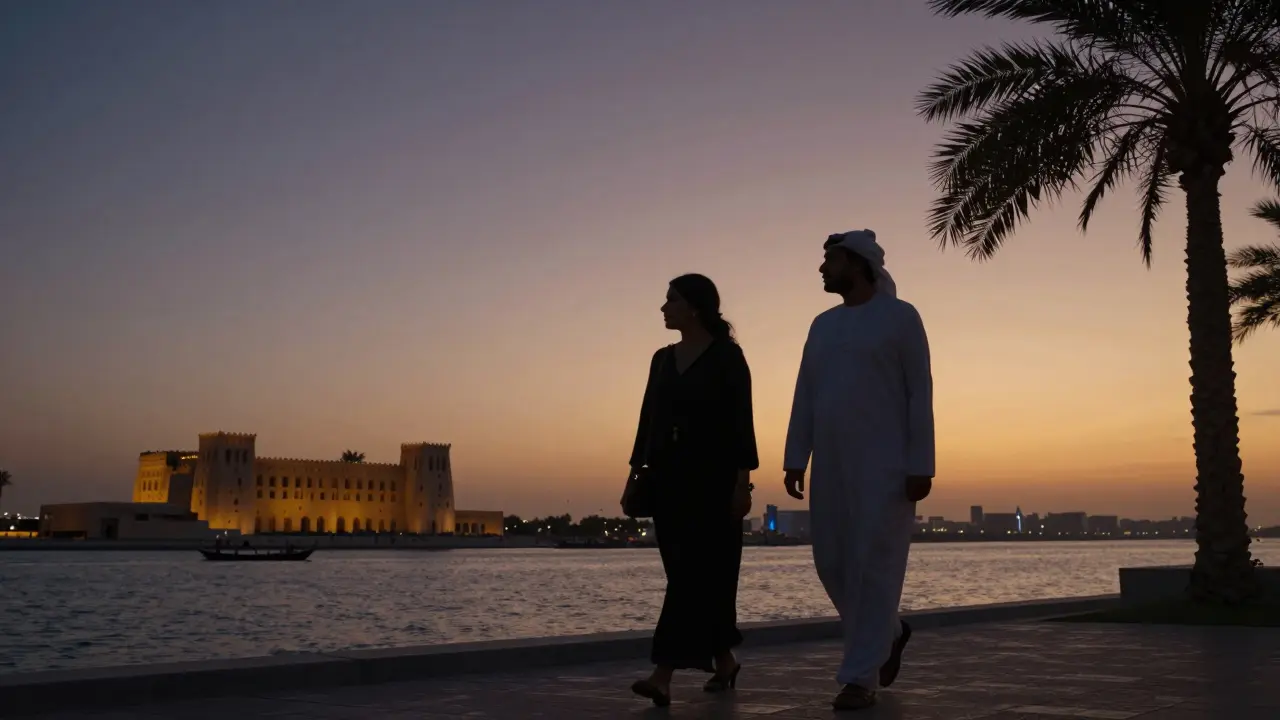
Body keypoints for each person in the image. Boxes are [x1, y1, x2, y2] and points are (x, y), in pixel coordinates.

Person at [783, 230, 934, 711]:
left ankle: (859, 678)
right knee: (831, 560)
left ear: (858, 263)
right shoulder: (822, 325)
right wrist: (795, 455)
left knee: (875, 565)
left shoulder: (901, 317)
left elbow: (920, 395)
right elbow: (806, 392)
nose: (822, 269)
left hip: (887, 467)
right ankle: (889, 631)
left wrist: (921, 464)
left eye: (830, 260)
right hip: (832, 464)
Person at [623, 273, 759, 707]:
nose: (664, 308)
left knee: (691, 577)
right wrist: (634, 474)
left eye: (671, 300)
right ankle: (724, 660)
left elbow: (742, 424)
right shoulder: (661, 360)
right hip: (668, 481)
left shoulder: (727, 358)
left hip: (714, 483)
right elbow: (647, 422)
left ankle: (661, 675)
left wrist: (742, 485)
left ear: (695, 307)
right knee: (689, 575)